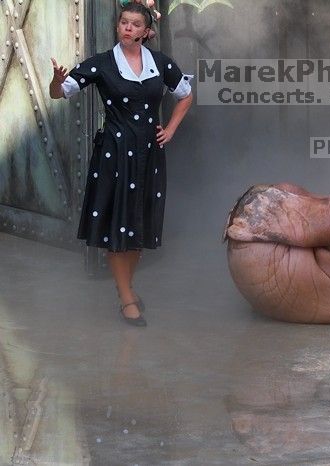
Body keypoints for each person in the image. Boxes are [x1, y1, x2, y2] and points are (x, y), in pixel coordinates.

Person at [49, 3, 193, 326]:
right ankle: (126, 294)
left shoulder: (160, 63)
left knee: (138, 222)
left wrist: (169, 129)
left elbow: (185, 94)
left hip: (149, 155)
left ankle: (126, 288)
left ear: (145, 31)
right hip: (114, 155)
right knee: (118, 223)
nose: (128, 28)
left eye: (134, 24)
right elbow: (60, 94)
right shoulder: (101, 63)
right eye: (123, 22)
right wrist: (57, 82)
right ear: (118, 27)